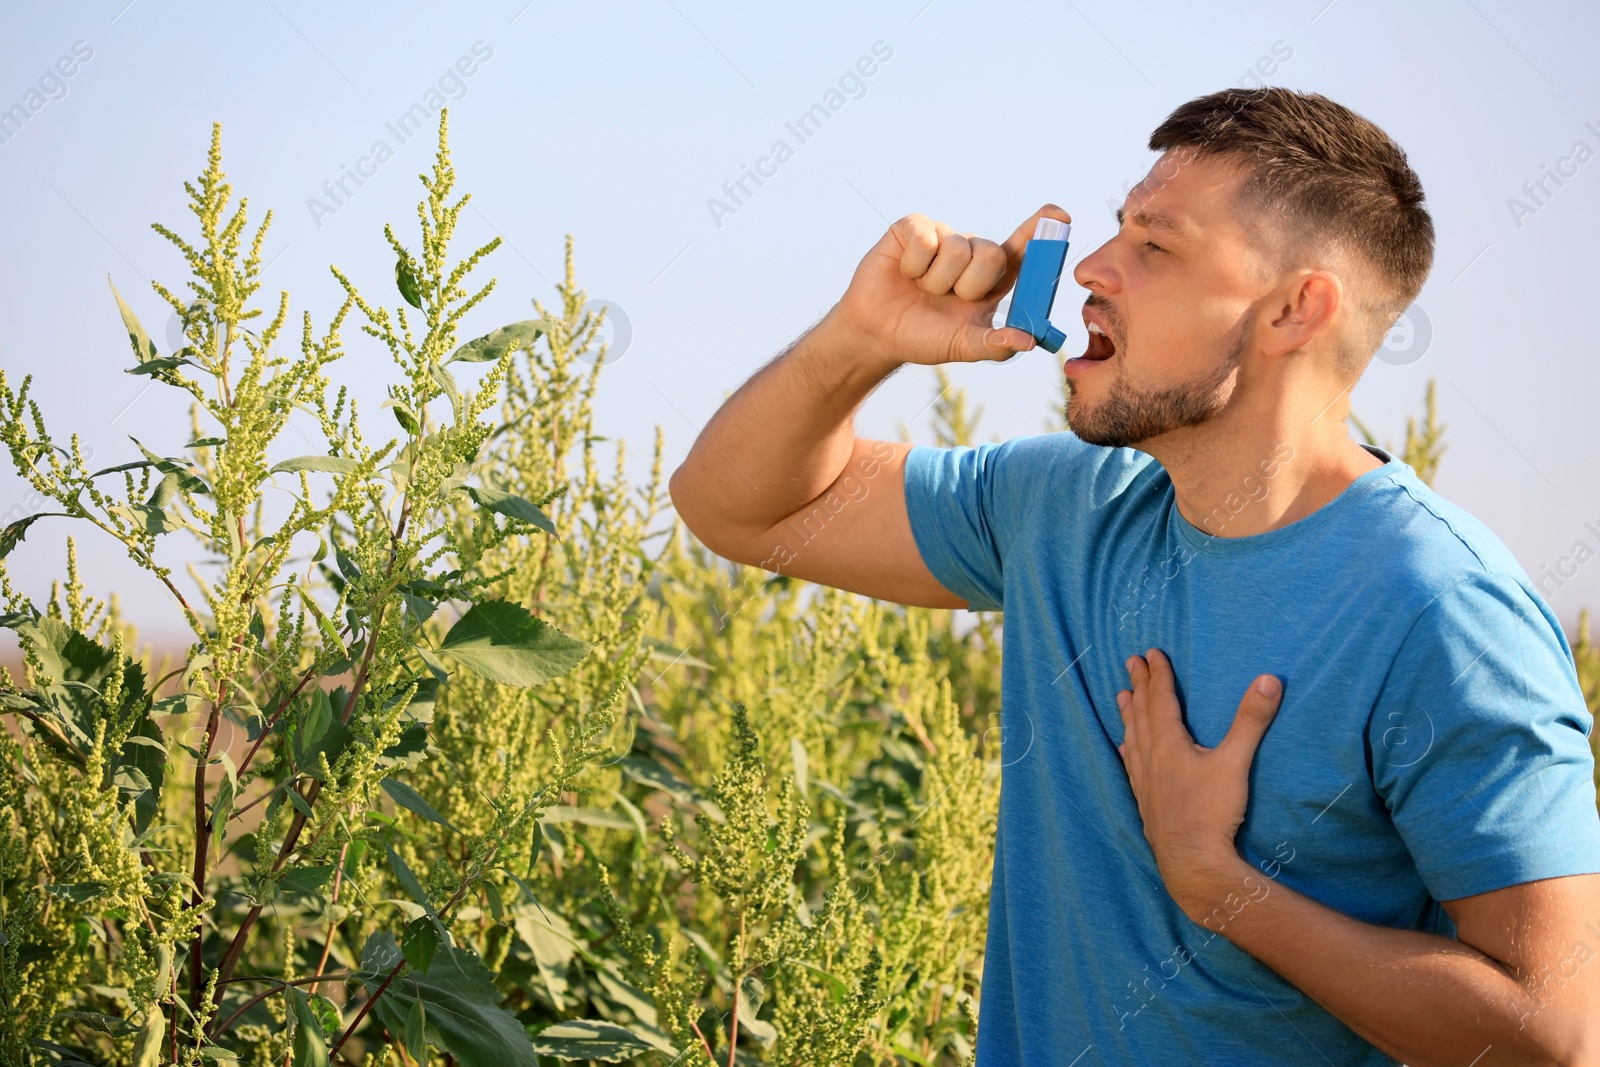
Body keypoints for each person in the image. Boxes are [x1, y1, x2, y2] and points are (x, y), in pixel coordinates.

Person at [668, 87, 1600, 1065]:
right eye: (1116, 230)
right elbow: (737, 507)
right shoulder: (1062, 508)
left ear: (1294, 307)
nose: (1093, 271)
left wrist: (1215, 884)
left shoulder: (1440, 612)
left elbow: (1553, 1034)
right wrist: (861, 338)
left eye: (1154, 246)